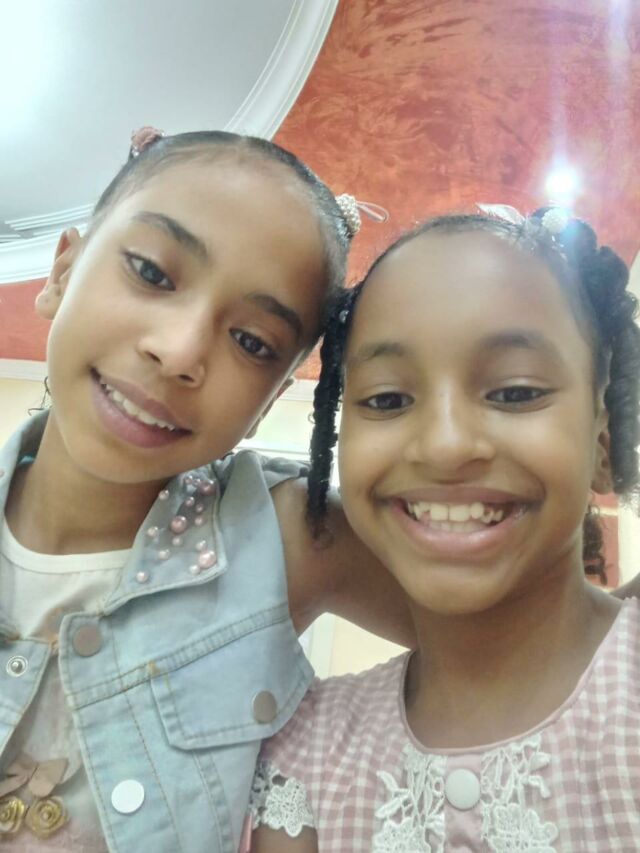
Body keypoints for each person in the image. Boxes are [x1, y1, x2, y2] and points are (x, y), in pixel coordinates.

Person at [0, 129, 413, 853]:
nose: (180, 351)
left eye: (252, 342)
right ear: (62, 270)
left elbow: (547, 628)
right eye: (152, 273)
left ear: (272, 397)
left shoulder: (282, 535)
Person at [249, 208, 640, 851]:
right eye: (387, 399)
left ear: (603, 442)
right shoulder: (306, 754)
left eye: (515, 392)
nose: (446, 446)